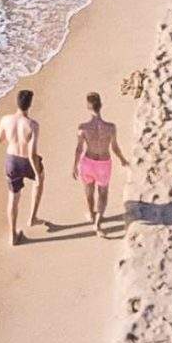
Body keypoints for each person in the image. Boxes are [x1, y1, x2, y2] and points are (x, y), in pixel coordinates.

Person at [0, 89, 43, 244]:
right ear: (30, 105)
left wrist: (11, 137)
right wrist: (37, 175)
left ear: (17, 103)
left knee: (13, 198)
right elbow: (32, 153)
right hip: (26, 160)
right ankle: (32, 217)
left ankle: (12, 235)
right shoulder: (33, 125)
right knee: (39, 182)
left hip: (11, 161)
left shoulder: (5, 120)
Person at [73, 91, 126, 236]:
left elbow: (79, 148)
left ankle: (91, 214)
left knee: (88, 191)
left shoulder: (82, 127)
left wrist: (74, 165)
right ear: (101, 106)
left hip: (88, 163)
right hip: (103, 164)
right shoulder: (111, 127)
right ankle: (97, 222)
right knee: (103, 193)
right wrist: (122, 159)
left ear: (88, 108)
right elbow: (114, 147)